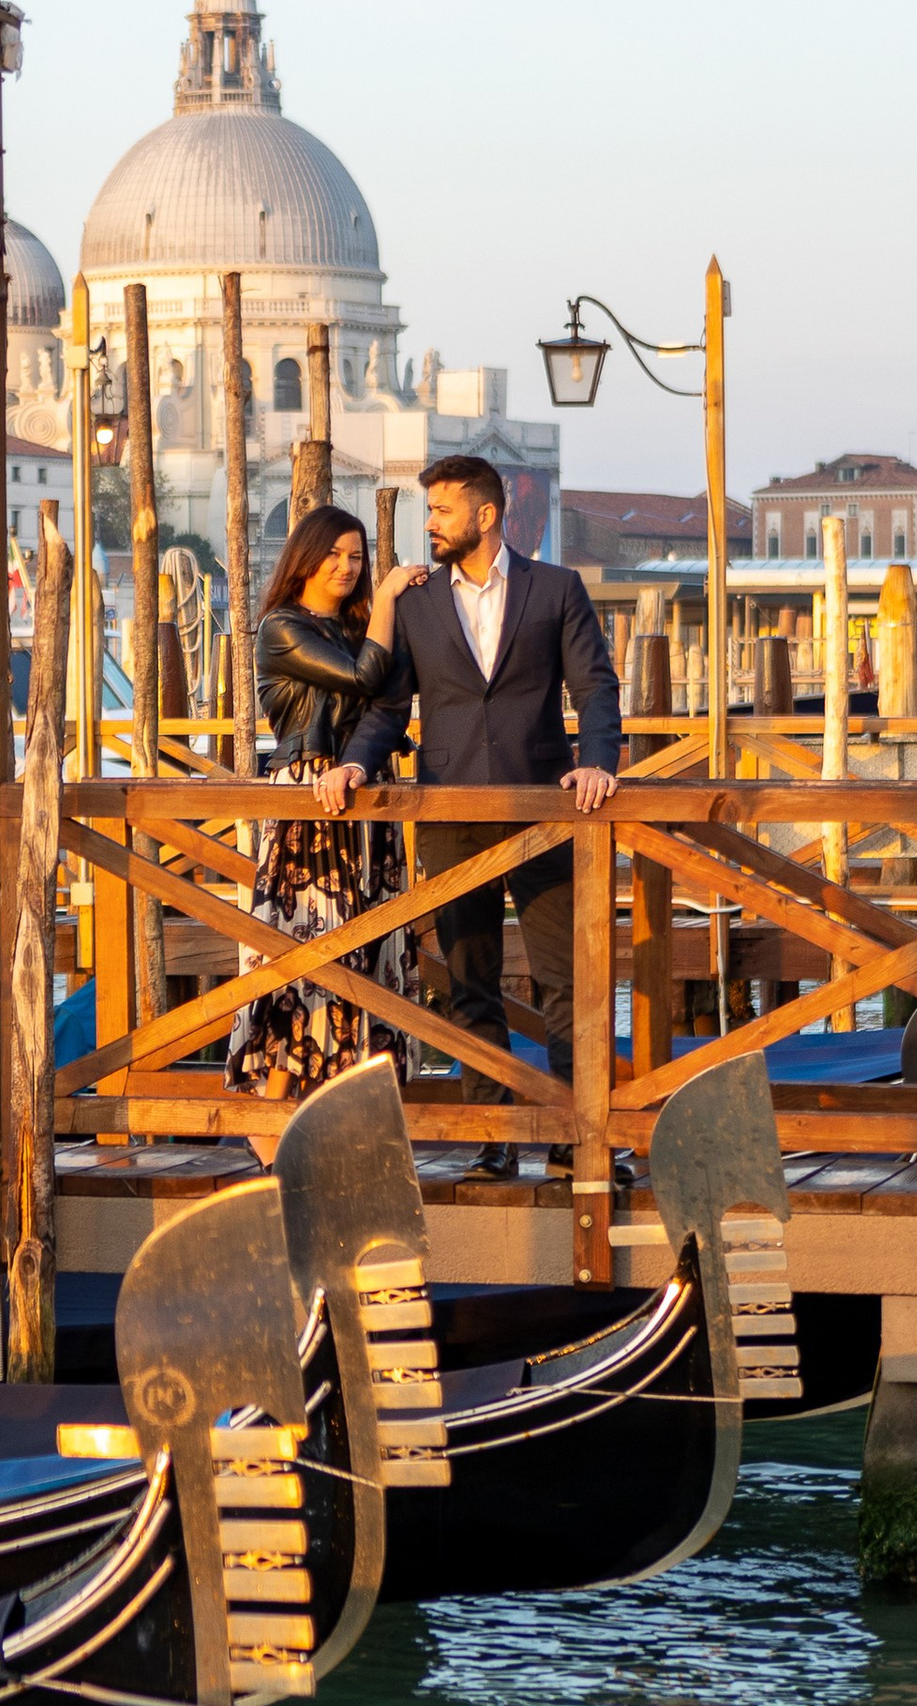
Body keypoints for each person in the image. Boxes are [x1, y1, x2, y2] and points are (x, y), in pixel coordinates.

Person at [323, 453, 621, 1175]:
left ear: (486, 517)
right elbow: (391, 707)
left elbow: (597, 688)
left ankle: (577, 1140)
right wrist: (358, 760)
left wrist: (599, 761)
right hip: (451, 813)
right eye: (429, 511)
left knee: (567, 980)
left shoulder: (556, 589)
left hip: (547, 812)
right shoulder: (419, 602)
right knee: (467, 979)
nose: (430, 524)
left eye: (443, 511)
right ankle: (494, 1139)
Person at [225, 506, 432, 1099]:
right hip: (309, 801)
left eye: (357, 557)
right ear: (306, 558)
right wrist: (391, 594)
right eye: (335, 554)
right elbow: (365, 678)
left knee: (372, 953)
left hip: (367, 797)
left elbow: (390, 705)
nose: (347, 567)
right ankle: (271, 1128)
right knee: (306, 957)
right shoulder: (282, 627)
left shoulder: (362, 624)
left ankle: (349, 1115)